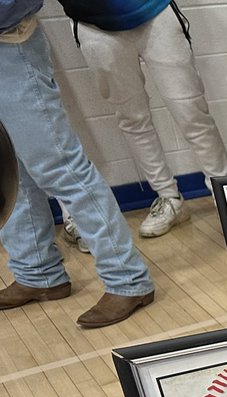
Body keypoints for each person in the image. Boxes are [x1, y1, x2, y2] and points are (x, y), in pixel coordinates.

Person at [0, 3, 156, 329]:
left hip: (10, 44)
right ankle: (38, 273)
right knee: (10, 167)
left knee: (62, 168)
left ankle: (127, 280)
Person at [60, 0, 227, 239]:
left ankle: (224, 195)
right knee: (132, 119)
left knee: (191, 111)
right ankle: (169, 197)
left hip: (155, 11)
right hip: (93, 24)